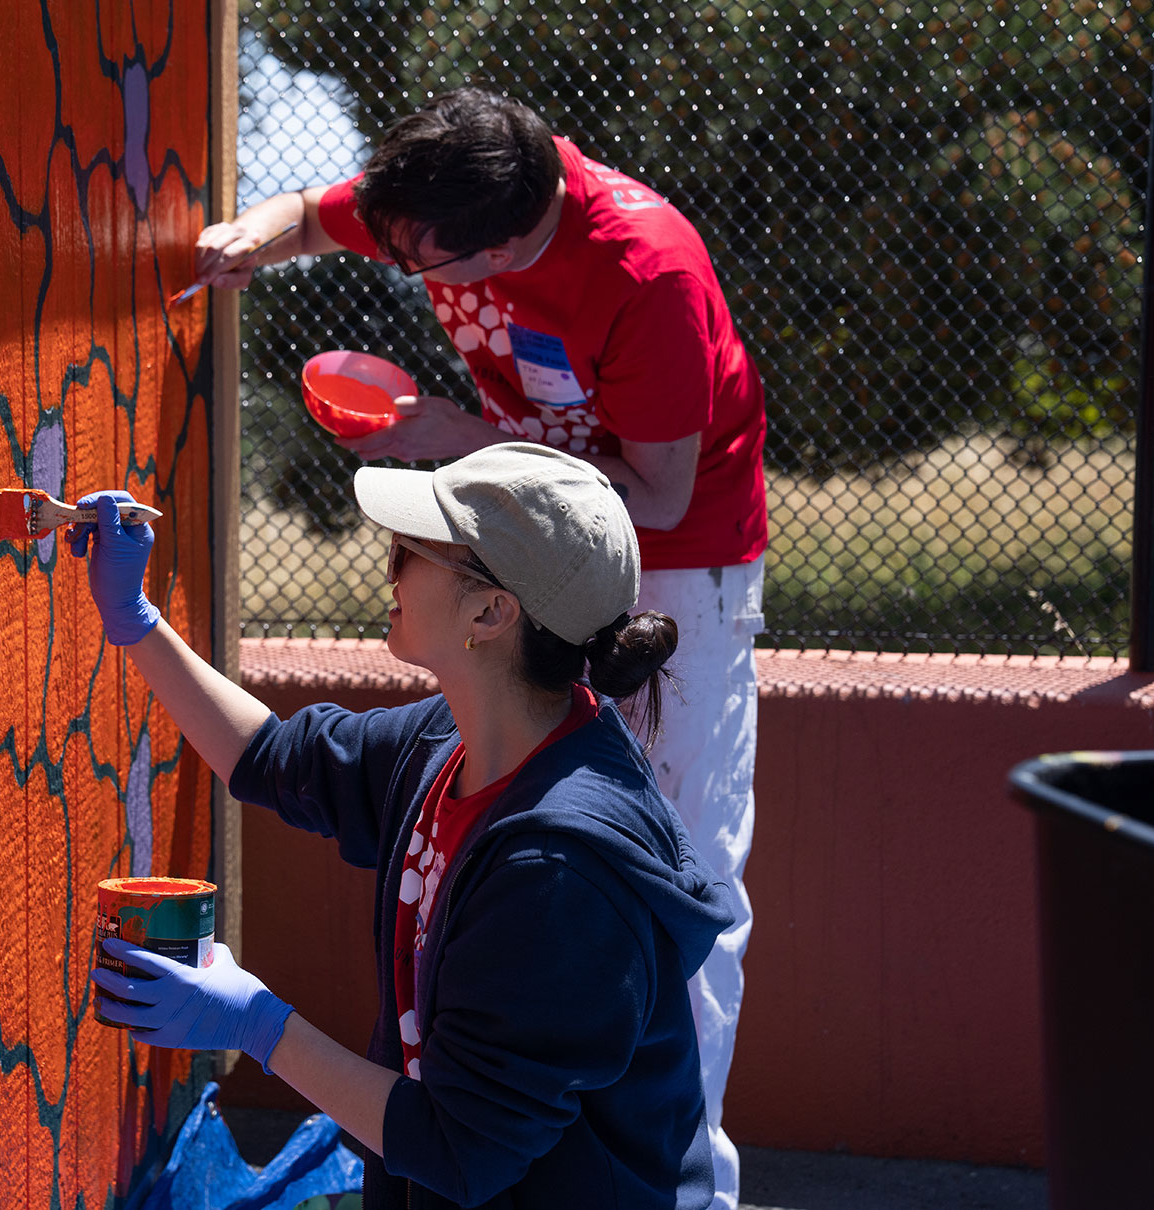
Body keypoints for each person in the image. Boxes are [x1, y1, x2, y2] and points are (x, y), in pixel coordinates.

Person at [194, 87, 766, 1207]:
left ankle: (680, 1187)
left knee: (672, 876)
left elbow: (660, 489)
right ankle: (504, 1127)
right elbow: (314, 216)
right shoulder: (453, 182)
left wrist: (469, 443)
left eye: (427, 263)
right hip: (530, 524)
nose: (409, 269)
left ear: (504, 239)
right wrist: (248, 238)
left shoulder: (643, 271)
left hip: (673, 558)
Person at [70, 443, 735, 1210]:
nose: (387, 568)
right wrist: (135, 620)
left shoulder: (556, 871)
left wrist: (258, 1025)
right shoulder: (456, 742)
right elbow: (276, 758)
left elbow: (462, 1148)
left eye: (408, 551)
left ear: (491, 612)